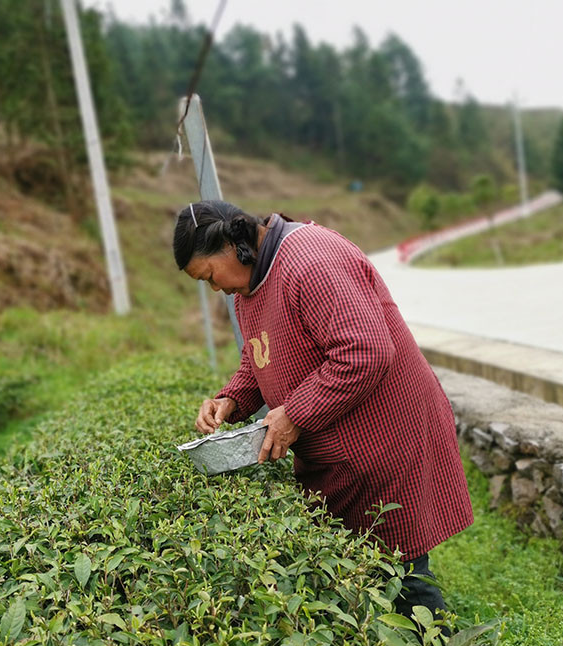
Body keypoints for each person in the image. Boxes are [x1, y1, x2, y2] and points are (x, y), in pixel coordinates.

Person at [173, 199, 473, 620]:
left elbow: (364, 351)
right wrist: (231, 400)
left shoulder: (310, 260)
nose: (216, 288)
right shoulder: (251, 287)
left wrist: (294, 414)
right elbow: (260, 357)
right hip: (342, 449)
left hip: (386, 436)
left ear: (228, 245)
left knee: (399, 569)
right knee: (365, 570)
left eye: (209, 276)